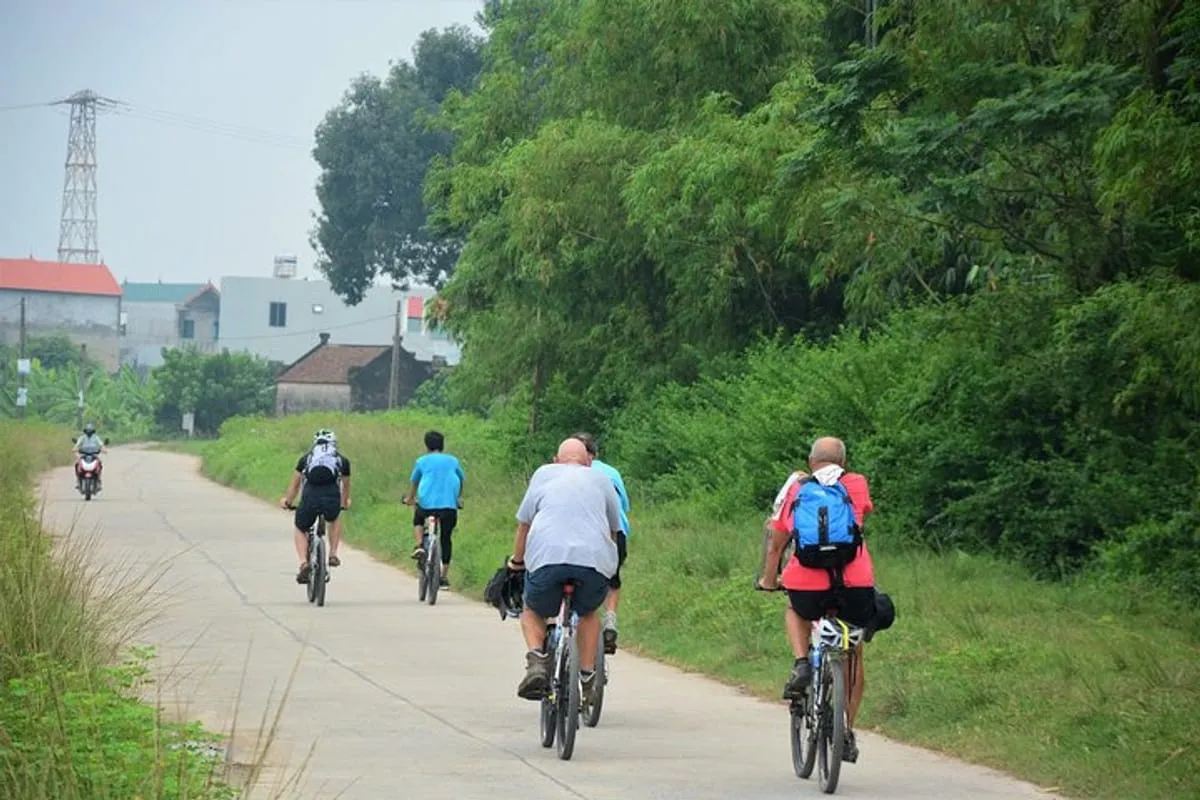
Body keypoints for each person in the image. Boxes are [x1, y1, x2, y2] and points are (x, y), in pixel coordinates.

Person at [758, 436, 876, 763]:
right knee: (853, 652)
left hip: (806, 582)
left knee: (795, 610)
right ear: (844, 462)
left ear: (811, 462)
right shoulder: (857, 484)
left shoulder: (798, 488)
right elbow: (862, 516)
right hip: (854, 584)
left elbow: (776, 540)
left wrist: (769, 580)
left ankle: (801, 663)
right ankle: (846, 730)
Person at [506, 438, 622, 702]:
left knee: (532, 610)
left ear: (556, 461)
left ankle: (537, 661)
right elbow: (614, 529)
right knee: (588, 612)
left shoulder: (543, 474)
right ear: (589, 461)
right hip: (592, 561)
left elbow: (524, 525)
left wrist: (517, 562)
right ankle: (587, 677)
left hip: (547, 558)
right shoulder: (602, 479)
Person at [571, 431, 630, 654]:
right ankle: (610, 619)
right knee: (612, 580)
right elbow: (623, 507)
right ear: (595, 453)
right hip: (617, 531)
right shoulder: (611, 472)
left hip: (582, 532)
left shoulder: (567, 472)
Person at [279, 428, 351, 584]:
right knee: (335, 518)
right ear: (334, 443)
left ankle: (303, 563)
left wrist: (288, 501)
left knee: (300, 527)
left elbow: (295, 485)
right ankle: (332, 554)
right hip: (331, 497)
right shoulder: (342, 460)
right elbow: (346, 485)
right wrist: (344, 502)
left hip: (310, 498)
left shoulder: (306, 459)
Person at [402, 430, 464, 588]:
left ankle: (419, 545)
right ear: (442, 445)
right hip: (449, 506)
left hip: (427, 504)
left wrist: (409, 499)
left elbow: (415, 482)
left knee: (418, 517)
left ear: (426, 445)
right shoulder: (453, 460)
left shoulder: (422, 461)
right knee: (446, 538)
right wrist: (458, 498)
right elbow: (460, 478)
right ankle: (443, 577)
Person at [72, 422, 107, 492]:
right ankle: (78, 480)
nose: (89, 432)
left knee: (100, 464)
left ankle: (98, 479)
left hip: (94, 455)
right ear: (85, 431)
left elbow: (101, 444)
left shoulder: (96, 438)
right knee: (77, 464)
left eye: (90, 431)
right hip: (84, 455)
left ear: (93, 431)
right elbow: (77, 445)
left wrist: (103, 449)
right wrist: (75, 449)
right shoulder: (82, 438)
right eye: (87, 431)